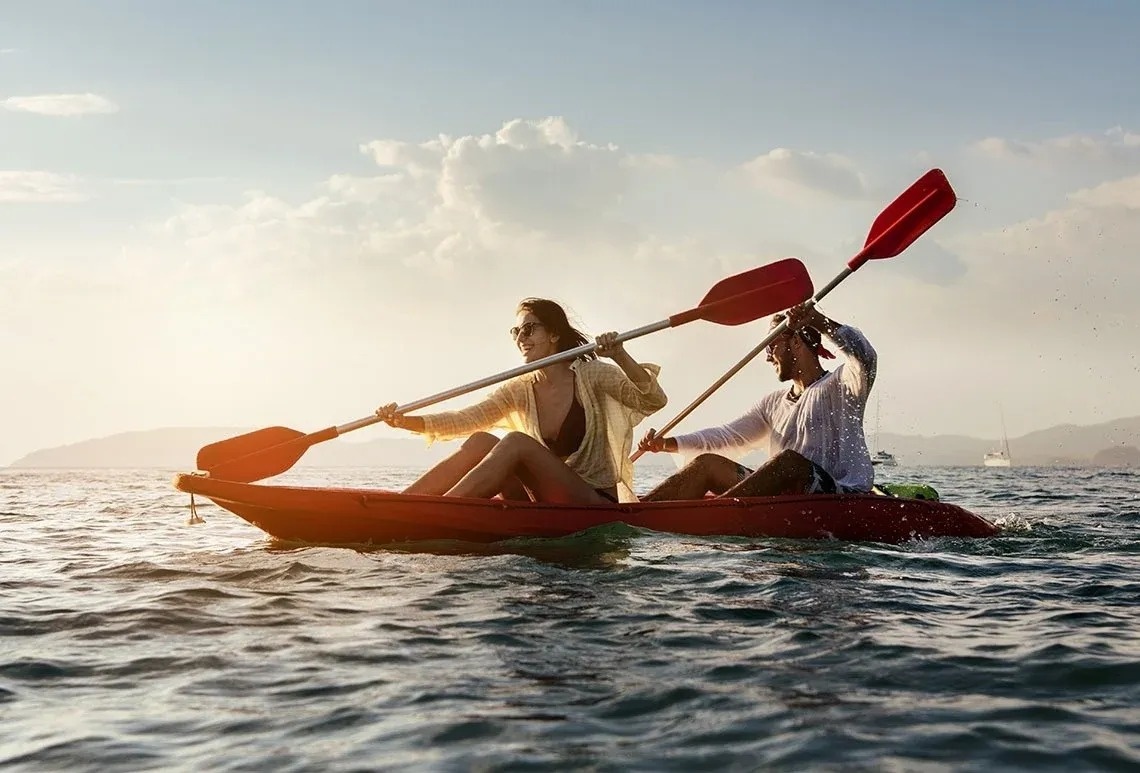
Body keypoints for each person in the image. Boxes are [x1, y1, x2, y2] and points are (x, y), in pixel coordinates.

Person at [375, 298, 668, 504]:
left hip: (593, 500)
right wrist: (404, 421)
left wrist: (619, 355)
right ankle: (400, 506)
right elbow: (466, 419)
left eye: (529, 329)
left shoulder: (592, 375)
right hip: (546, 500)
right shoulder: (519, 389)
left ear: (554, 334)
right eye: (516, 332)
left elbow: (653, 400)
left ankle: (439, 512)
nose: (520, 338)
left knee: (516, 442)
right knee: (480, 440)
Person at [637, 302, 876, 500]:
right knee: (706, 464)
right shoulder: (772, 403)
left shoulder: (843, 385)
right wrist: (666, 444)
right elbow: (727, 437)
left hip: (840, 494)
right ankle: (636, 512)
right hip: (787, 494)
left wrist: (817, 320)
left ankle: (720, 514)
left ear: (796, 342)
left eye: (771, 347)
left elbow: (865, 355)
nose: (768, 357)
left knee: (789, 461)